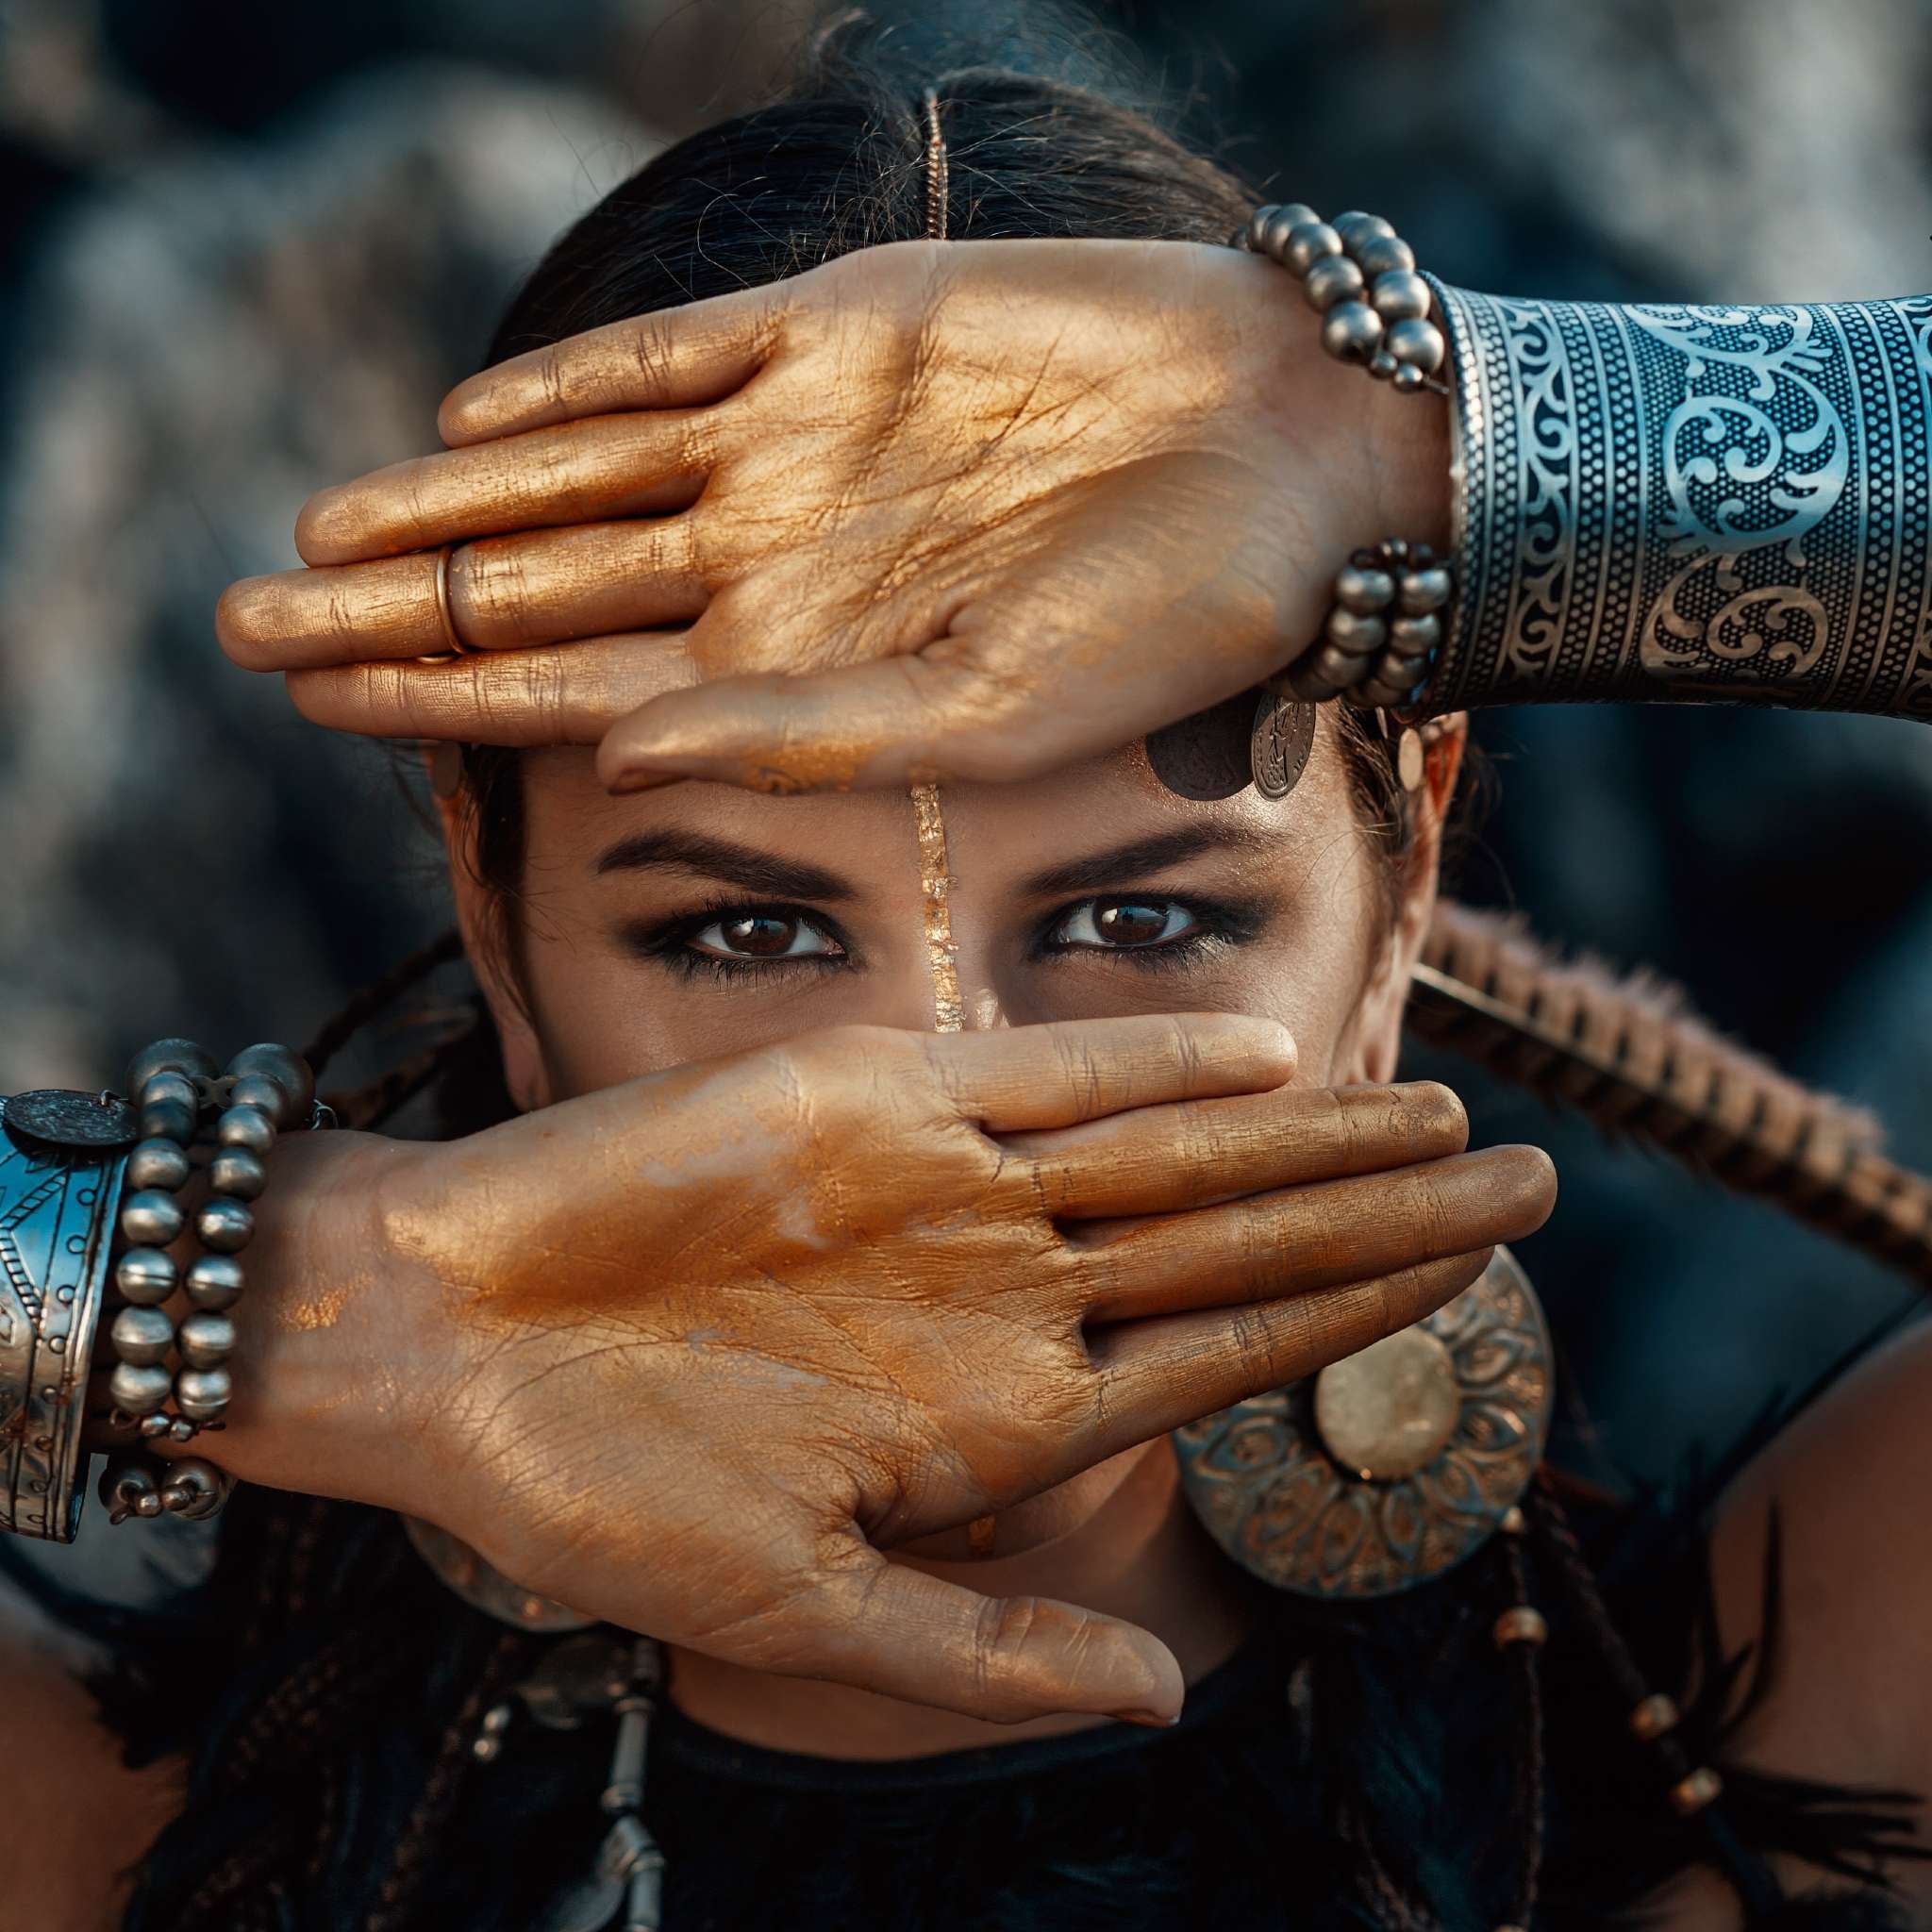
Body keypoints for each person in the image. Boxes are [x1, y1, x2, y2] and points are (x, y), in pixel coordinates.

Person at [7, 24, 1931, 1932]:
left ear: (1400, 893)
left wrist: (1406, 439)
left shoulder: (1765, 1770)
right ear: (501, 932)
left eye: (1144, 920)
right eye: (743, 931)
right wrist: (312, 1304)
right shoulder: (119, 1846)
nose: (930, 1097)